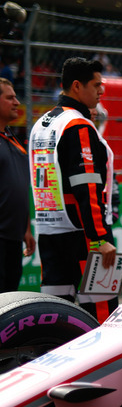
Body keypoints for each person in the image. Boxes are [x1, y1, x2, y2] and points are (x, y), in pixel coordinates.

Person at [28, 58, 117, 321]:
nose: (101, 91)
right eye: (96, 85)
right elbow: (86, 184)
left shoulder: (41, 123)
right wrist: (100, 237)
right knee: (104, 313)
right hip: (85, 234)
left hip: (49, 231)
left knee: (55, 315)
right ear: (77, 86)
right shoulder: (77, 125)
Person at [0, 77, 35, 292]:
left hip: (13, 237)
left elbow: (20, 186)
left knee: (9, 298)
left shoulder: (12, 138)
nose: (17, 102)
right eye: (10, 97)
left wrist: (26, 228)